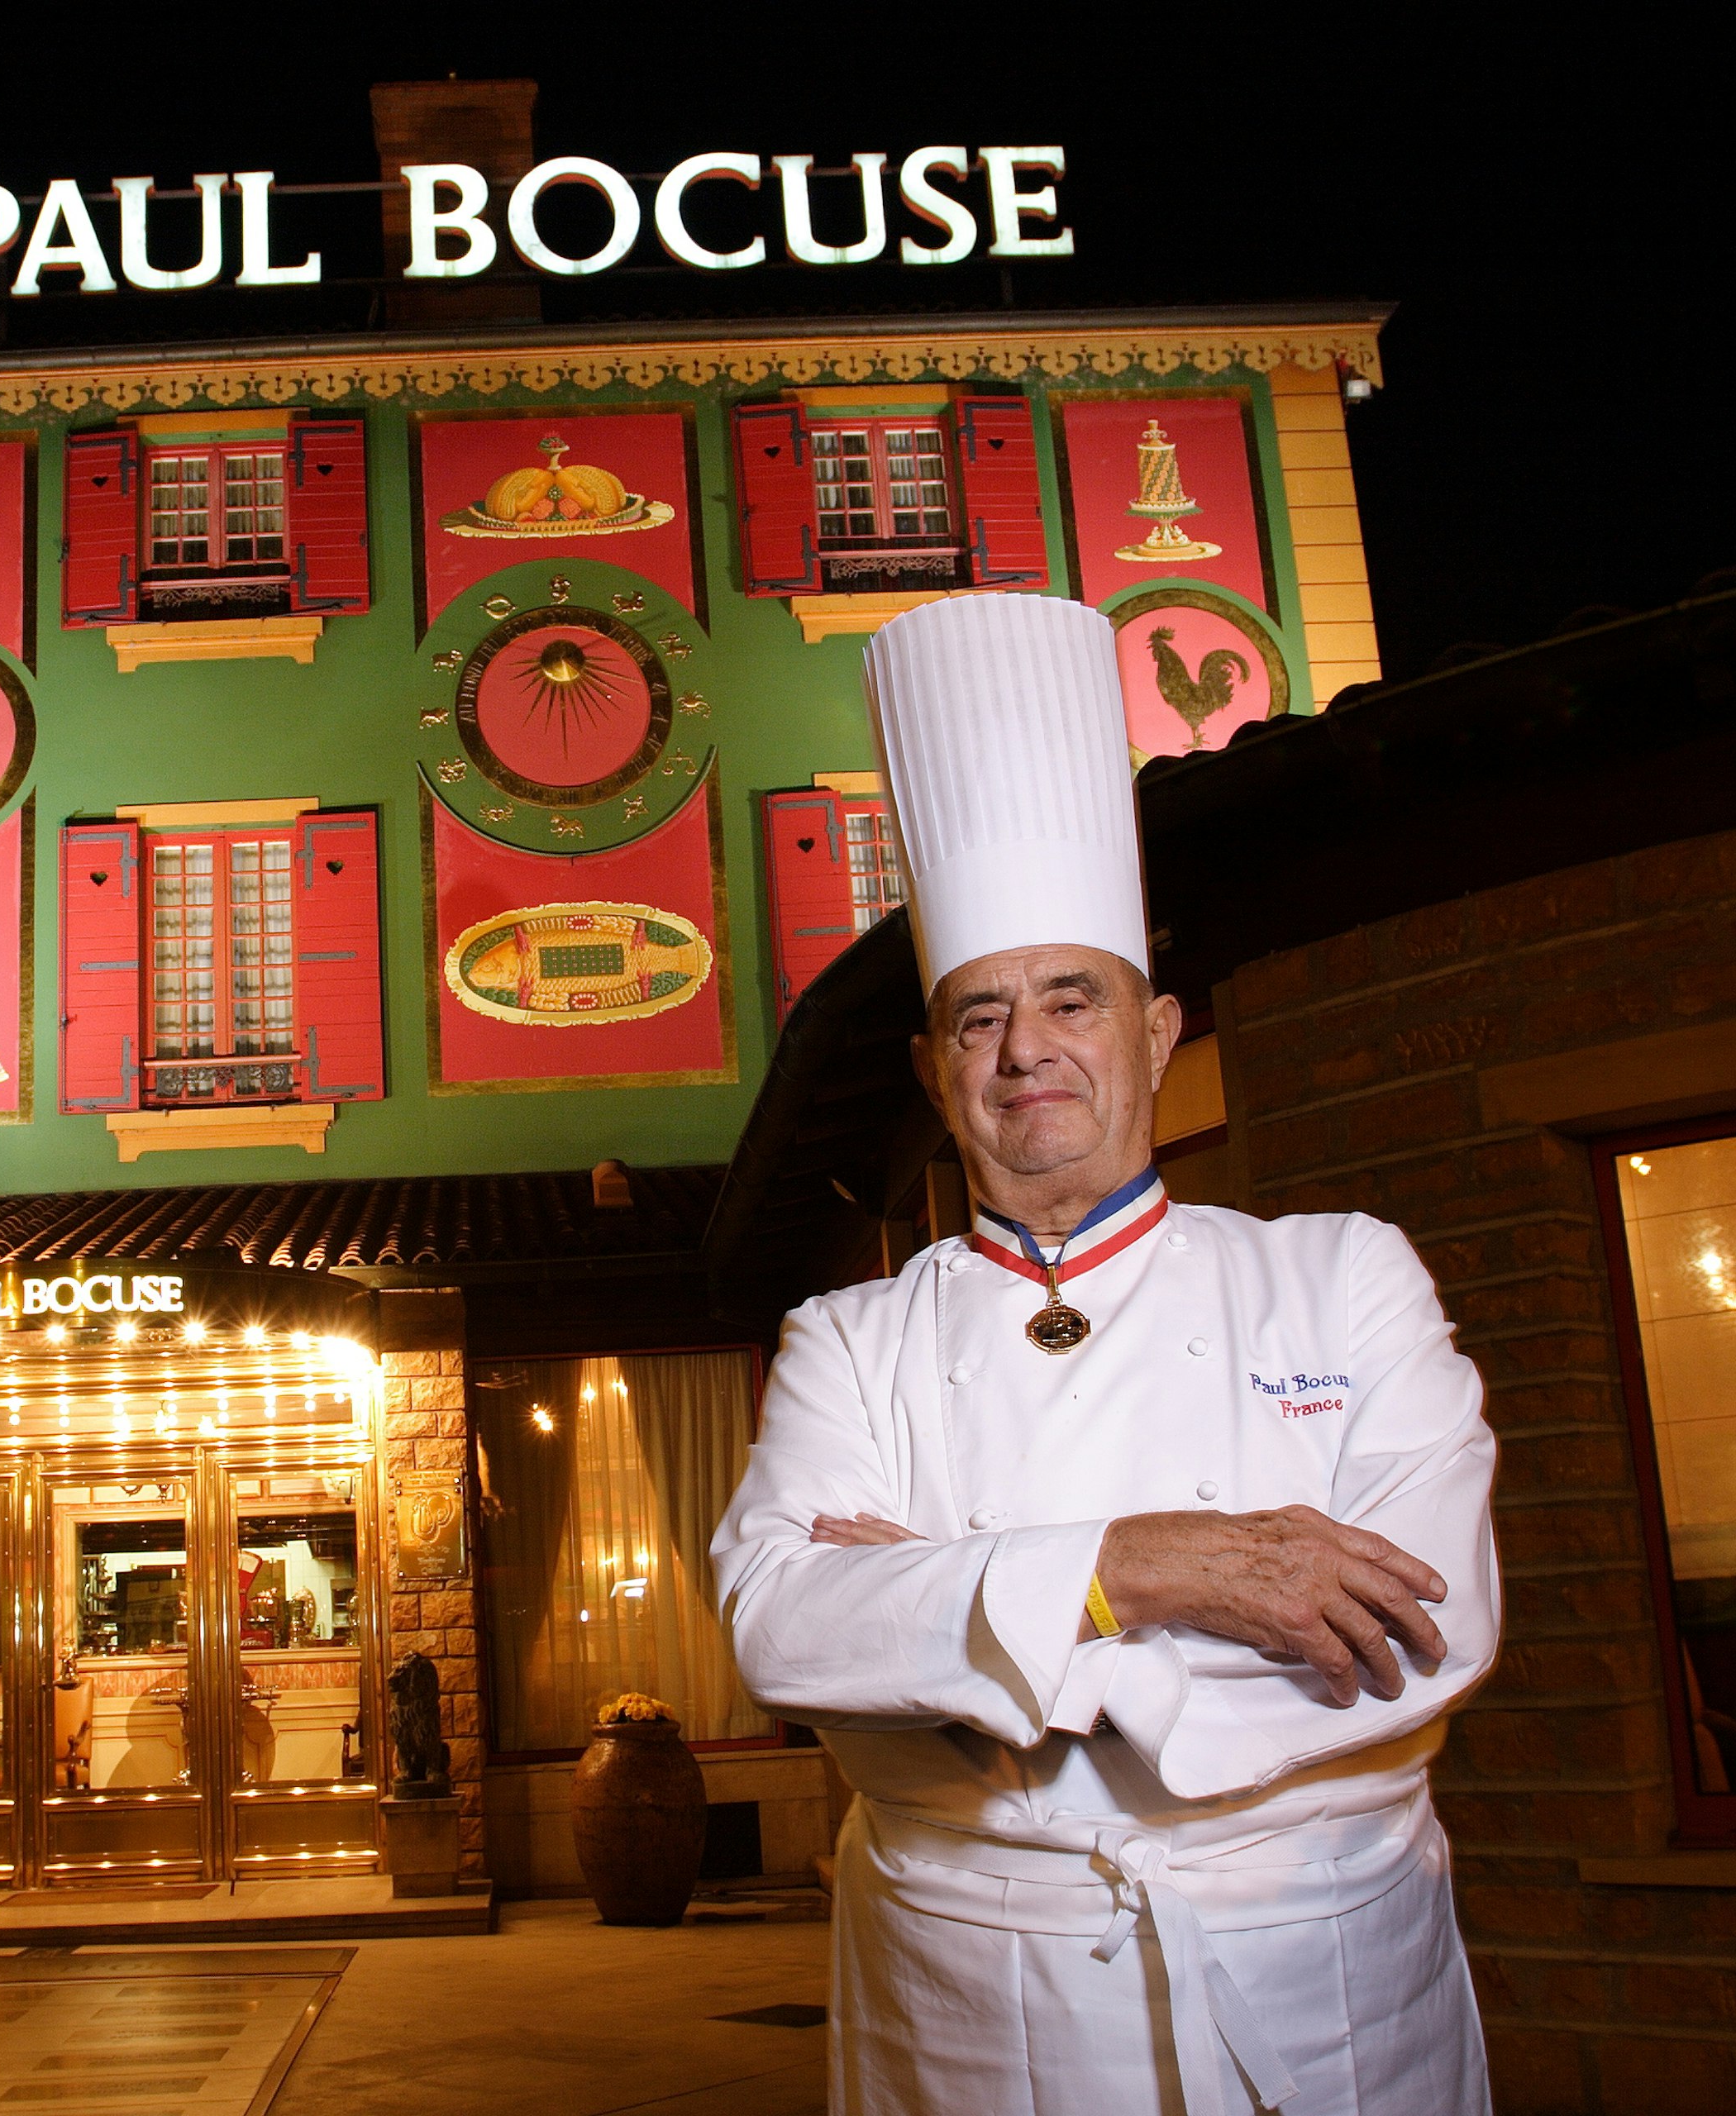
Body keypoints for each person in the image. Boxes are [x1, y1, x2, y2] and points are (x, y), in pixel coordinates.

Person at [712, 593, 1501, 2114]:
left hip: (1330, 1985)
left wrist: (956, 1618)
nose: (1028, 1052)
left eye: (1075, 999)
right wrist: (1143, 1567)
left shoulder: (1343, 1277)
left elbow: (1431, 1625)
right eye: (979, 1018)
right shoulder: (848, 1339)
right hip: (971, 2004)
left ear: (1156, 1034)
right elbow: (784, 1632)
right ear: (939, 1077)